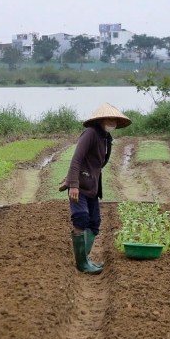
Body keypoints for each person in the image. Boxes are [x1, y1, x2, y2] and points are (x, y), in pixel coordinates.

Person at [61, 102, 131, 274]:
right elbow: (77, 159)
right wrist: (73, 184)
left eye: (114, 120)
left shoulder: (106, 139)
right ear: (100, 120)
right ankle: (82, 264)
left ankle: (84, 258)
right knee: (81, 218)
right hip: (80, 186)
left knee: (94, 223)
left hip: (92, 185)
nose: (112, 122)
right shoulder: (90, 133)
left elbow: (99, 164)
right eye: (109, 119)